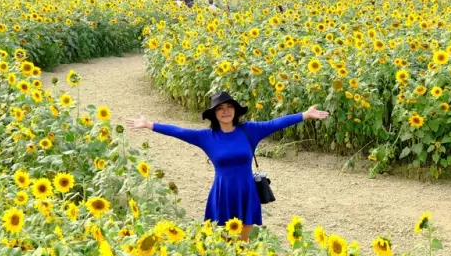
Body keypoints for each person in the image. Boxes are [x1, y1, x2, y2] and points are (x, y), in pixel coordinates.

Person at [126, 92, 329, 241]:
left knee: (243, 241)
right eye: (220, 109)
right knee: (222, 240)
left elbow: (275, 123)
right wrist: (149, 124)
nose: (225, 112)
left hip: (247, 191)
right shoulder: (206, 137)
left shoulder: (250, 130)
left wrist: (304, 115)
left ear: (235, 110)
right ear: (214, 114)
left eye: (229, 107)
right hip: (222, 193)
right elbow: (179, 131)